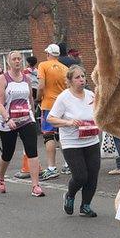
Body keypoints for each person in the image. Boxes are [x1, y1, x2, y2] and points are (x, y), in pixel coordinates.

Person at [47, 64, 101, 217]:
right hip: (72, 142)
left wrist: (100, 122)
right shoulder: (64, 97)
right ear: (70, 80)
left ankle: (85, 206)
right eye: (77, 77)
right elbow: (50, 118)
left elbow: (98, 113)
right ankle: (69, 195)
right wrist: (69, 123)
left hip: (91, 140)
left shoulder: (91, 95)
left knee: (92, 175)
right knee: (80, 176)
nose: (82, 80)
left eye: (83, 76)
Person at [0, 50, 44, 196]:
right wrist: (7, 118)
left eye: (19, 59)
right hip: (8, 121)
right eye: (14, 59)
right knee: (7, 153)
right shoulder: (3, 79)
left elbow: (30, 99)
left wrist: (33, 116)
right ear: (9, 62)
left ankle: (35, 186)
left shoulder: (26, 79)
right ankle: (0, 179)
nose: (17, 61)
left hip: (26, 120)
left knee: (32, 151)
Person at [37, 43, 68, 180]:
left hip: (48, 103)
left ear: (48, 54)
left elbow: (41, 85)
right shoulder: (65, 68)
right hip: (63, 105)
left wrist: (38, 98)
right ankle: (68, 165)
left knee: (49, 136)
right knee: (63, 135)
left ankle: (51, 167)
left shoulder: (43, 65)